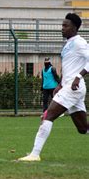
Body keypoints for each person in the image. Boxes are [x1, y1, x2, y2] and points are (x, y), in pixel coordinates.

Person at [19, 13, 88, 162]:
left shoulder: (79, 42)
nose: (62, 29)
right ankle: (34, 154)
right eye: (62, 25)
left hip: (74, 87)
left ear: (75, 28)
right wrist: (60, 84)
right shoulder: (68, 44)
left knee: (48, 116)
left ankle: (34, 154)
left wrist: (79, 76)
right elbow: (68, 67)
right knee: (83, 129)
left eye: (65, 26)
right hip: (69, 86)